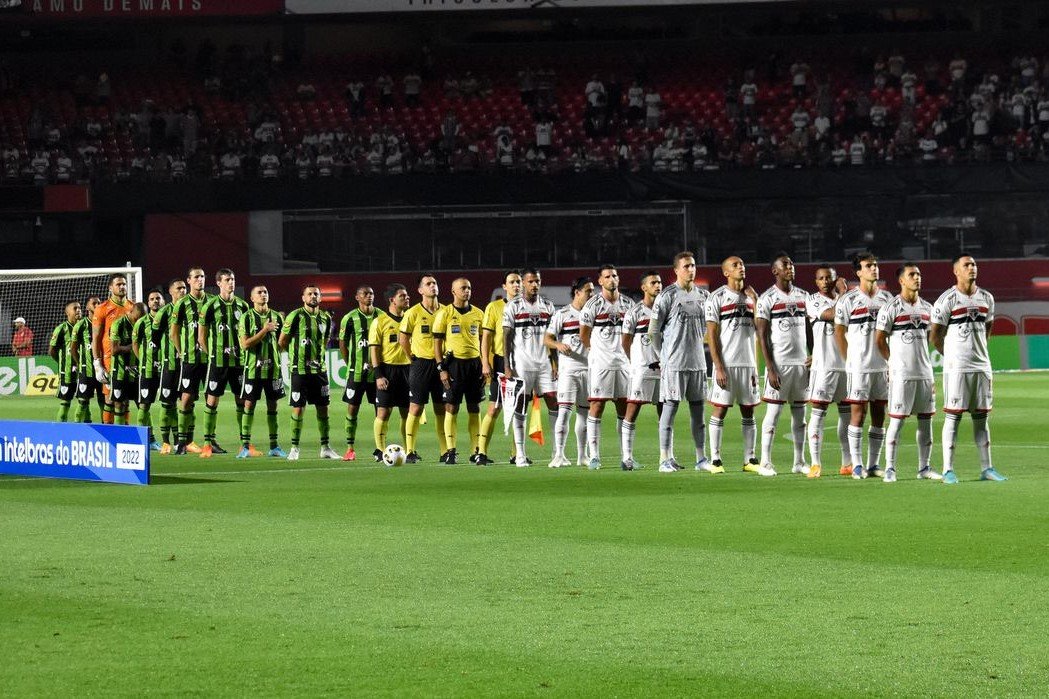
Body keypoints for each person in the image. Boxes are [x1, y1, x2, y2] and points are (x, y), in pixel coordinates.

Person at [929, 255, 1006, 483]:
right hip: (957, 368)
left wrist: (979, 351)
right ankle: (948, 470)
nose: (972, 268)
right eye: (966, 265)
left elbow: (988, 327)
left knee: (981, 418)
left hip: (982, 366)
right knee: (953, 417)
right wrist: (952, 356)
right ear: (956, 271)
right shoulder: (947, 299)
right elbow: (935, 336)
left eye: (973, 264)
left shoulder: (987, 298)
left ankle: (987, 468)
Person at [875, 263, 940, 483]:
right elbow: (879, 340)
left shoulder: (928, 308)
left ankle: (924, 468)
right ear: (901, 280)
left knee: (925, 421)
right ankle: (890, 468)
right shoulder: (891, 307)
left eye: (919, 274)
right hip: (901, 375)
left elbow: (933, 339)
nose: (917, 278)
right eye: (912, 275)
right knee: (897, 421)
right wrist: (893, 362)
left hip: (924, 374)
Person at [649, 252, 712, 473]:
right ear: (676, 270)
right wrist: (662, 357)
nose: (691, 270)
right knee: (669, 409)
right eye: (686, 266)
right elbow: (653, 331)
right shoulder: (667, 295)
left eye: (693, 265)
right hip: (674, 364)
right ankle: (664, 458)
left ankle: (701, 458)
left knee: (698, 412)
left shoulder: (704, 296)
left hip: (697, 363)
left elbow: (706, 328)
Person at [834, 252, 894, 479]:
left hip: (882, 367)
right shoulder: (848, 300)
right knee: (858, 414)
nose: (874, 269)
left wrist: (891, 360)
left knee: (879, 414)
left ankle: (873, 464)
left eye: (876, 265)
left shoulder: (888, 299)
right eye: (869, 266)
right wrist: (849, 359)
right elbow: (839, 333)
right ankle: (857, 464)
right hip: (859, 367)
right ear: (858, 272)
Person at [755, 253, 812, 476]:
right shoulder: (767, 297)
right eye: (785, 265)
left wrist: (814, 354)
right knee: (774, 413)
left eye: (792, 264)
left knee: (800, 415)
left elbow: (810, 328)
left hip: (801, 365)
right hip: (780, 364)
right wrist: (769, 368)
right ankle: (766, 462)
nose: (791, 268)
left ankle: (799, 462)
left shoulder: (804, 296)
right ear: (775, 271)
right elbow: (761, 334)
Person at [705, 256, 761, 473]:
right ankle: (716, 460)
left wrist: (756, 302)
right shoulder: (716, 297)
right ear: (726, 272)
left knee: (748, 411)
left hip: (748, 364)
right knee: (720, 410)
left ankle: (750, 459)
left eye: (742, 264)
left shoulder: (751, 297)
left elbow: (760, 330)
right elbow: (711, 334)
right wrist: (718, 366)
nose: (741, 267)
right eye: (735, 265)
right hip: (726, 364)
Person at [579, 264, 636, 470]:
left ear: (618, 279)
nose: (612, 279)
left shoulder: (629, 304)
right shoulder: (592, 305)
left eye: (614, 275)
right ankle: (594, 456)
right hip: (601, 364)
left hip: (623, 364)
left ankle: (626, 457)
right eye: (607, 276)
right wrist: (595, 353)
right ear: (600, 281)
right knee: (597, 406)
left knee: (624, 408)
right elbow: (583, 335)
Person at [502, 269, 559, 466]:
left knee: (554, 401)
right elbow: (506, 337)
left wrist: (555, 363)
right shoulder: (513, 306)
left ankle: (557, 452)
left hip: (544, 363)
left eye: (538, 281)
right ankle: (520, 454)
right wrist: (507, 366)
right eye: (531, 281)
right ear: (524, 283)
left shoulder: (548, 306)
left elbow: (553, 338)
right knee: (522, 404)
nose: (535, 285)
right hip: (522, 364)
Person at [279, 285, 339, 460]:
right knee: (298, 409)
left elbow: (325, 340)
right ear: (303, 297)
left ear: (320, 298)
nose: (313, 296)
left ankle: (325, 447)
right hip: (299, 370)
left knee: (323, 409)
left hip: (320, 370)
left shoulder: (326, 318)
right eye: (310, 294)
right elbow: (282, 341)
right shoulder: (295, 316)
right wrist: (294, 356)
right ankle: (294, 448)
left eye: (316, 294)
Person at [197, 268, 251, 457]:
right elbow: (201, 338)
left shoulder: (243, 307)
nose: (231, 283)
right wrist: (212, 354)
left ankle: (245, 444)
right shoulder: (210, 306)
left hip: (238, 362)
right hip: (218, 363)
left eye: (233, 279)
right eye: (227, 279)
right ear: (219, 283)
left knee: (242, 401)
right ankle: (207, 443)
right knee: (212, 401)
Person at [805, 265, 853, 478]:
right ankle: (815, 463)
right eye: (821, 278)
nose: (825, 281)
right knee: (818, 413)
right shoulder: (813, 300)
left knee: (847, 414)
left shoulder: (847, 299)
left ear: (835, 279)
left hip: (846, 365)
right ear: (816, 282)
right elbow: (832, 314)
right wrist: (844, 294)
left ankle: (847, 462)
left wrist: (844, 296)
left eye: (829, 278)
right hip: (824, 366)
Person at [432, 278, 485, 464]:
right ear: (453, 291)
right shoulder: (444, 314)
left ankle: (476, 451)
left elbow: (484, 342)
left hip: (474, 365)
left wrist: (485, 364)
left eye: (469, 287)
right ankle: (450, 450)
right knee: (451, 407)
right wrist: (441, 368)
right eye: (463, 288)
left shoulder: (479, 313)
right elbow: (436, 343)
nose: (467, 291)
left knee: (474, 407)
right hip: (454, 365)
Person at [545, 276, 593, 468]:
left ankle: (583, 455)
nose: (592, 295)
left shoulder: (593, 314)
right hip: (569, 370)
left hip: (589, 369)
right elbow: (547, 339)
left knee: (584, 414)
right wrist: (558, 344)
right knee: (564, 412)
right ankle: (559, 455)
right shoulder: (562, 314)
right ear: (577, 292)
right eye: (588, 291)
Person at [400, 274, 448, 462]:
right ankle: (410, 451)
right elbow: (403, 338)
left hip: (442, 365)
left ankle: (445, 451)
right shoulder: (412, 313)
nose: (433, 286)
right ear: (420, 290)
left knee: (441, 408)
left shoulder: (446, 311)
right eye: (428, 284)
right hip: (420, 364)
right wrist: (411, 356)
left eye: (435, 283)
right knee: (416, 407)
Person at [476, 270, 522, 465]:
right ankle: (481, 452)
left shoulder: (527, 307)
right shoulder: (494, 307)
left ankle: (517, 454)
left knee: (520, 409)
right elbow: (486, 337)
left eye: (518, 282)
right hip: (501, 361)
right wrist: (485, 361)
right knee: (495, 407)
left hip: (523, 361)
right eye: (512, 282)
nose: (516, 285)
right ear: (504, 286)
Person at [619, 270, 663, 471]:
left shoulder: (666, 310)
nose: (658, 285)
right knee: (633, 409)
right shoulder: (634, 312)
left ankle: (666, 456)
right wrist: (636, 362)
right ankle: (627, 457)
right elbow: (625, 342)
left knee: (665, 411)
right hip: (642, 370)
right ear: (644, 287)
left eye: (659, 282)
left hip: (663, 369)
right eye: (653, 282)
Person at [238, 284, 286, 458]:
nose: (263, 294)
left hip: (273, 371)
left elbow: (282, 342)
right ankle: (245, 446)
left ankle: (274, 446)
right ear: (252, 298)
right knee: (249, 405)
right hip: (253, 370)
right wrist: (264, 330)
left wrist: (277, 354)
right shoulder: (246, 318)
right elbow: (245, 344)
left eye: (265, 292)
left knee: (273, 406)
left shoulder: (277, 317)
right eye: (259, 292)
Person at [339, 285, 382, 461]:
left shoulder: (381, 316)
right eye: (365, 294)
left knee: (380, 410)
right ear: (357, 297)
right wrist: (351, 362)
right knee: (352, 408)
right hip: (356, 373)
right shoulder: (349, 318)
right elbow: (342, 343)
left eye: (371, 293)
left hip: (377, 373)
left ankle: (380, 448)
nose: (369, 296)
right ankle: (350, 448)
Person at [370, 284, 412, 460]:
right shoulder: (380, 321)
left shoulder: (411, 318)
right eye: (402, 296)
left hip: (409, 370)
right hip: (388, 370)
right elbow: (374, 350)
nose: (407, 298)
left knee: (407, 413)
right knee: (383, 412)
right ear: (392, 300)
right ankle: (380, 450)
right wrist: (378, 374)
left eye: (407, 295)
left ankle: (410, 450)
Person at [171, 267, 210, 454]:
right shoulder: (182, 303)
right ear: (189, 280)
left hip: (209, 359)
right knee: (186, 399)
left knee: (212, 398)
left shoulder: (212, 301)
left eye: (202, 276)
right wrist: (181, 352)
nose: (200, 280)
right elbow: (174, 332)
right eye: (196, 277)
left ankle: (210, 442)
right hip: (190, 360)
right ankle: (181, 441)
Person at [91, 273, 134, 425]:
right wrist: (97, 363)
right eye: (118, 284)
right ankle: (109, 434)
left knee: (126, 399)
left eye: (124, 284)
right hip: (110, 360)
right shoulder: (102, 309)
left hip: (129, 359)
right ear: (110, 288)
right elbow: (95, 338)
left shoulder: (132, 306)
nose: (122, 287)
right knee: (111, 399)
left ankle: (125, 433)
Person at [152, 279, 187, 452]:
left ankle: (183, 442)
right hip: (170, 365)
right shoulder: (164, 312)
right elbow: (155, 339)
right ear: (171, 292)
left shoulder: (192, 310)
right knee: (167, 404)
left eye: (184, 288)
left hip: (188, 365)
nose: (182, 291)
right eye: (179, 288)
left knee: (186, 403)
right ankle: (165, 442)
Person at [132, 288, 166, 449]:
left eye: (157, 298)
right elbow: (135, 344)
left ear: (162, 301)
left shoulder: (169, 319)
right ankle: (141, 440)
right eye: (151, 299)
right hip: (147, 370)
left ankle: (172, 442)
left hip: (167, 368)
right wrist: (143, 360)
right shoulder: (141, 322)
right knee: (144, 404)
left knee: (170, 404)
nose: (155, 301)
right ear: (148, 302)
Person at [108, 302, 144, 426]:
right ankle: (119, 434)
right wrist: (134, 346)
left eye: (142, 317)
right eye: (137, 317)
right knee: (119, 403)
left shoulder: (143, 324)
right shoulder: (118, 324)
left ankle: (150, 438)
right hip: (120, 371)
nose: (139, 320)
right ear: (131, 311)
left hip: (138, 371)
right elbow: (114, 350)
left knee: (143, 404)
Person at [70, 296, 103, 423]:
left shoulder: (104, 323)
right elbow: (73, 349)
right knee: (83, 402)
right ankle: (76, 431)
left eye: (99, 303)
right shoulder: (81, 325)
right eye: (94, 303)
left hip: (102, 370)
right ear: (87, 307)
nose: (97, 305)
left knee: (104, 403)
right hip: (86, 371)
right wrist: (80, 364)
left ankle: (106, 430)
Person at [49, 301, 82, 422]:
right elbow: (52, 350)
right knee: (65, 404)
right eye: (75, 308)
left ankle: (80, 429)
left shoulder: (84, 326)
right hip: (67, 373)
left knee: (84, 403)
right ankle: (60, 431)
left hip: (83, 372)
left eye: (79, 308)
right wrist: (63, 362)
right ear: (67, 312)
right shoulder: (61, 329)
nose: (78, 310)